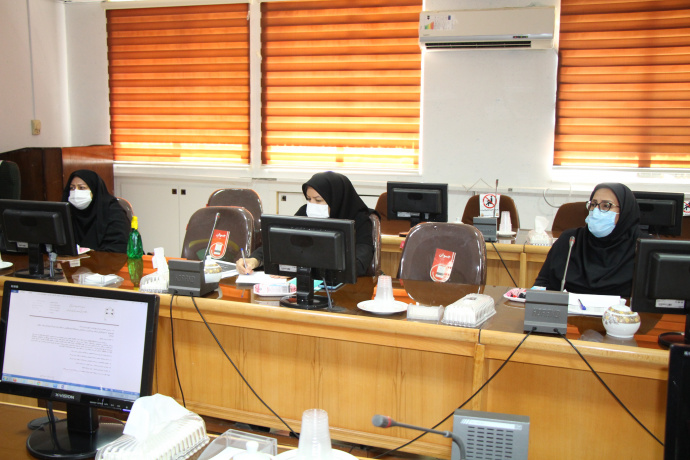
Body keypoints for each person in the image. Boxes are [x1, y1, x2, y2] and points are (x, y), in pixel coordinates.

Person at [237, 171, 376, 276]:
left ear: (337, 199)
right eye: (309, 199)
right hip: (305, 284)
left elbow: (358, 263)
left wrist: (298, 269)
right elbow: (279, 242)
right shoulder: (305, 212)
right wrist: (254, 260)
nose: (312, 205)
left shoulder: (360, 220)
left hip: (347, 290)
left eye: (318, 200)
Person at [534, 183, 640, 297]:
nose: (596, 211)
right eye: (593, 204)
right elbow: (542, 284)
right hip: (566, 308)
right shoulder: (570, 240)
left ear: (625, 211)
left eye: (606, 206)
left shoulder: (639, 247)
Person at [61, 170, 130, 253]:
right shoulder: (68, 212)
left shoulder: (112, 211)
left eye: (82, 188)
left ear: (94, 190)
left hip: (105, 259)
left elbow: (120, 247)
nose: (75, 192)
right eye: (72, 188)